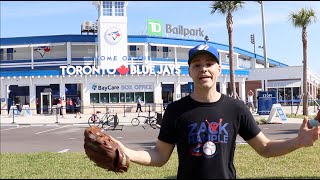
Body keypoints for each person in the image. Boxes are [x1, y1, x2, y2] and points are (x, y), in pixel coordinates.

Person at [106, 44, 319, 179]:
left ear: (219, 69)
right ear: (189, 71)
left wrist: (298, 142)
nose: (203, 69)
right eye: (197, 65)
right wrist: (127, 151)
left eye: (209, 63)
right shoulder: (176, 110)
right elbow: (160, 155)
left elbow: (264, 148)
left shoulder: (236, 108)